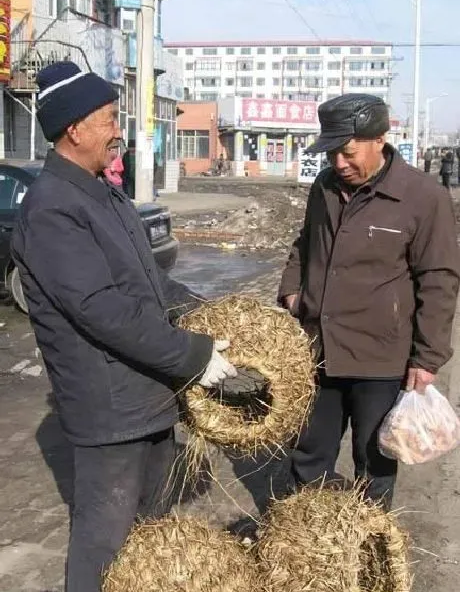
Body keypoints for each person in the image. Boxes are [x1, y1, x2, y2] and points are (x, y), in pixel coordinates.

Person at [11, 61, 237, 592]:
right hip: (110, 413)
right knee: (104, 542)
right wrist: (193, 356)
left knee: (150, 538)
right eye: (111, 118)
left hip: (150, 396)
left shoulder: (104, 195)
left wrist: (210, 317)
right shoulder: (52, 210)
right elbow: (102, 309)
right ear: (75, 128)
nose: (119, 130)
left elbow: (153, 288)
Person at [278, 93, 460, 511]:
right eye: (331, 154)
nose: (339, 164)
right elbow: (305, 244)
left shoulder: (422, 197)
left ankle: (371, 546)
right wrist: (292, 291)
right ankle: (307, 539)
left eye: (347, 152)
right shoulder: (324, 188)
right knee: (309, 453)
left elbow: (439, 280)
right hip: (319, 349)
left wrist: (427, 357)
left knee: (373, 460)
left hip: (380, 358)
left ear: (380, 138)